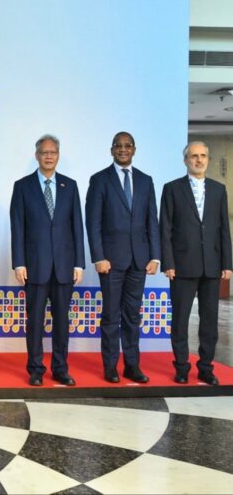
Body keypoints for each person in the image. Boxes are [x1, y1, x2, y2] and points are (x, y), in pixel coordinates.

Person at [85, 132, 160, 384]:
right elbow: (93, 222)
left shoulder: (146, 181)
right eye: (119, 146)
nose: (123, 149)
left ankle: (132, 366)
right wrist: (98, 256)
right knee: (110, 316)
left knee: (133, 316)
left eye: (128, 146)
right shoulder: (99, 180)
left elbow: (152, 221)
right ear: (112, 150)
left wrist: (155, 256)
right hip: (111, 262)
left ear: (134, 149)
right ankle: (110, 367)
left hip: (140, 260)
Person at [10, 134, 84, 386]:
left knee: (62, 322)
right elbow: (17, 227)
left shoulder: (70, 186)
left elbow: (77, 227)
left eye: (53, 152)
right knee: (35, 322)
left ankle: (61, 369)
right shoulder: (22, 186)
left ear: (58, 156)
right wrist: (19, 263)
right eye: (44, 152)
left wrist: (79, 263)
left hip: (64, 267)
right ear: (37, 156)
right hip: (34, 267)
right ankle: (35, 370)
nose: (49, 156)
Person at [160, 141, 232, 385]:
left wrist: (227, 263)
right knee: (180, 320)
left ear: (208, 160)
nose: (199, 160)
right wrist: (168, 262)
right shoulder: (172, 189)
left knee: (209, 321)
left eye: (203, 156)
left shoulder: (219, 190)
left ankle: (206, 368)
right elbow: (165, 229)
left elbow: (224, 229)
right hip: (181, 266)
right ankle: (181, 367)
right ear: (185, 161)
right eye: (194, 156)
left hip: (212, 266)